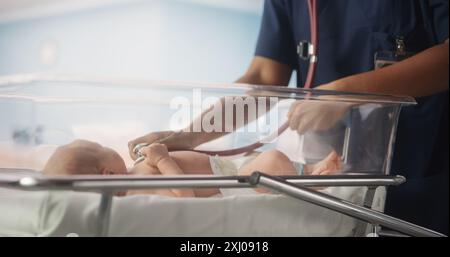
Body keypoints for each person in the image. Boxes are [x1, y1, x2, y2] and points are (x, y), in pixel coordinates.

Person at [128, 1, 449, 234]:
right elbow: (265, 78)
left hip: (423, 180)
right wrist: (184, 137)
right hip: (328, 189)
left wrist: (348, 93)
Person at [42, 140, 342, 197]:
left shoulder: (134, 174)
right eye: (107, 151)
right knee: (273, 161)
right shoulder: (138, 187)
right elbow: (184, 195)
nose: (114, 149)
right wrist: (162, 159)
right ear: (107, 174)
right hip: (231, 180)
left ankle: (311, 170)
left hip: (227, 167)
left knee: (266, 157)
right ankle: (313, 182)